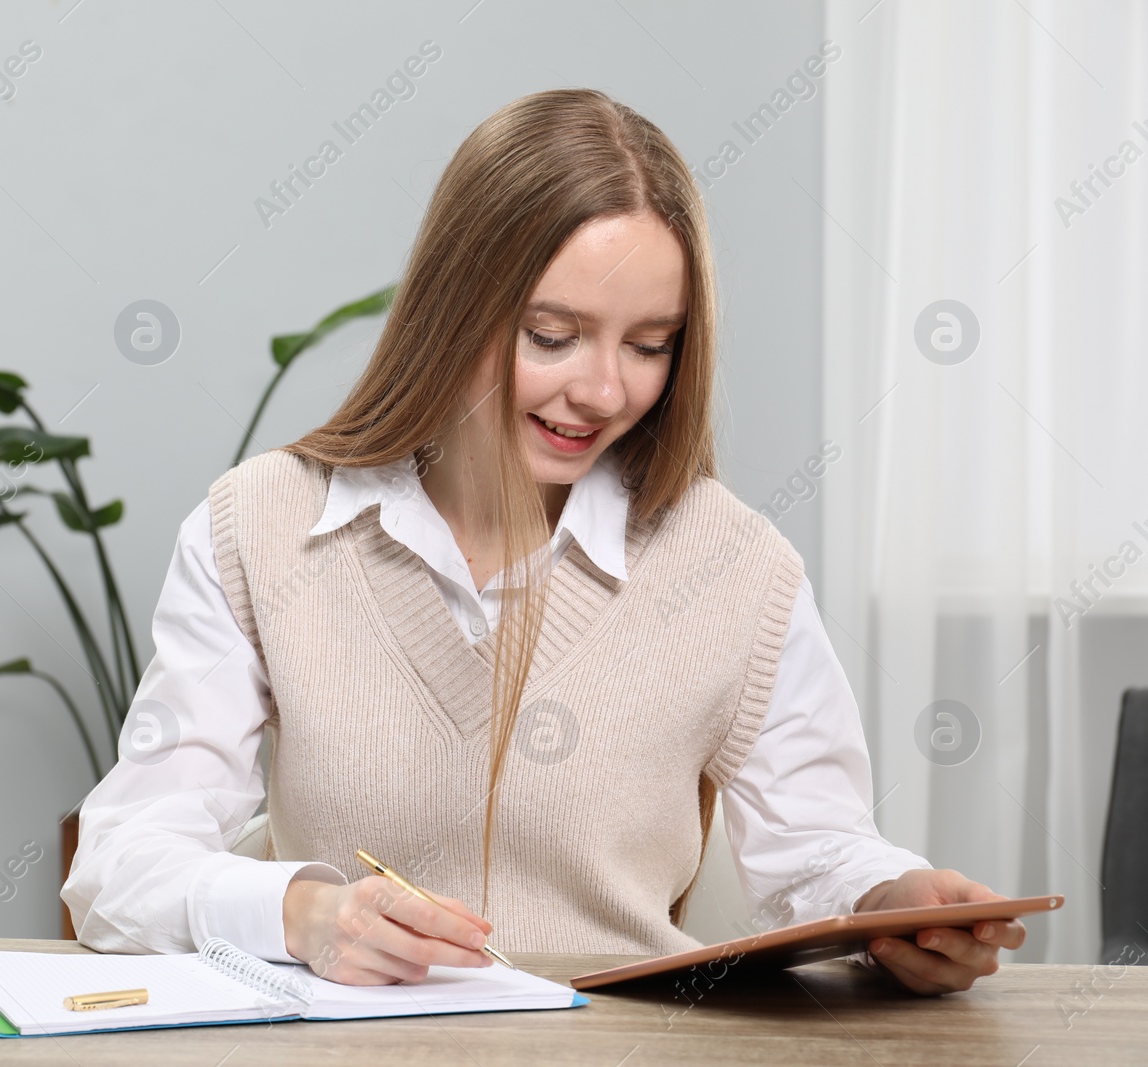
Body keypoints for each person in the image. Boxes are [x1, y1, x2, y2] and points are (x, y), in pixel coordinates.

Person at [62, 88, 1024, 995]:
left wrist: (895, 907)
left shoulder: (736, 566)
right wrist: (305, 913)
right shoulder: (260, 526)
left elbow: (822, 850)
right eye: (553, 335)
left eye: (650, 345)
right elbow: (118, 861)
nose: (604, 391)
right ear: (453, 310)